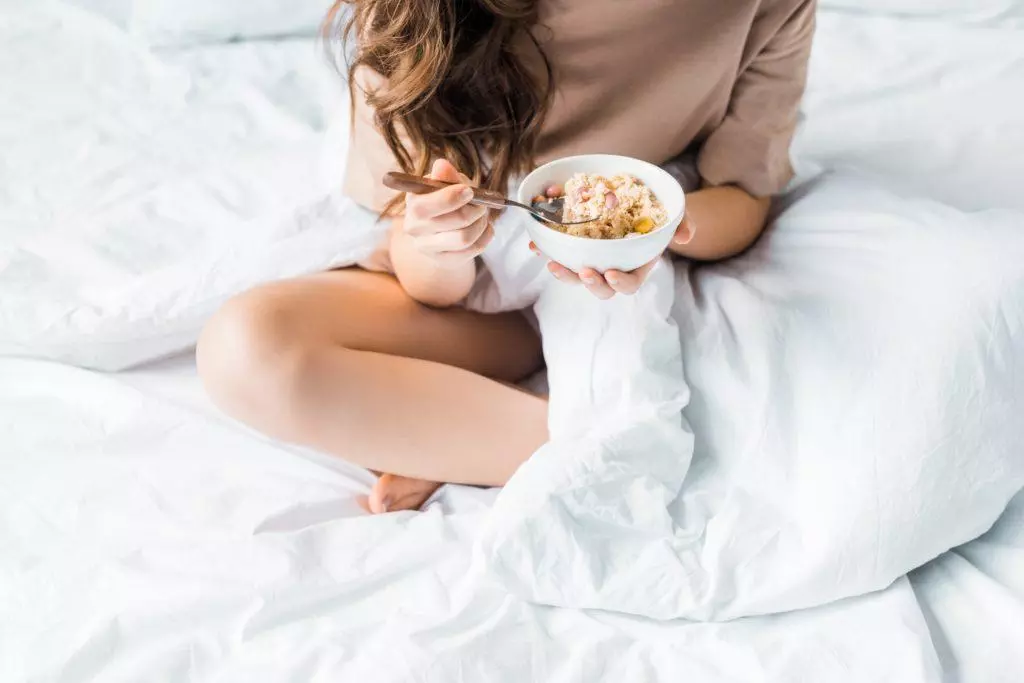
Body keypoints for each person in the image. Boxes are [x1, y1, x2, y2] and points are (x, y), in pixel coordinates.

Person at [197, 0, 816, 513]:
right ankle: (532, 446)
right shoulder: (421, 15)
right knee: (244, 349)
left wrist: (652, 228)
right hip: (462, 286)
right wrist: (439, 240)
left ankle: (482, 444)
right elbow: (426, 278)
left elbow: (743, 194)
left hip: (597, 281)